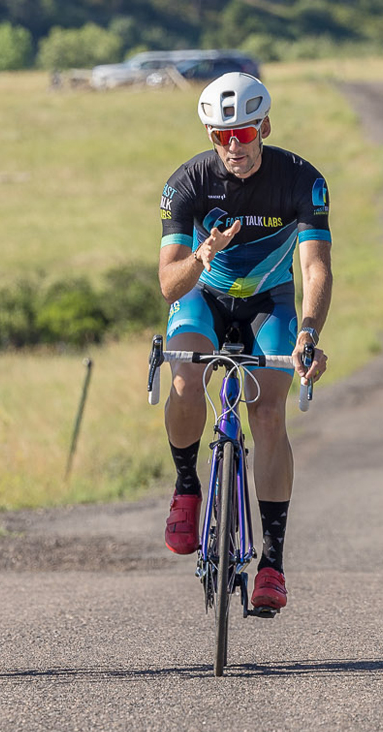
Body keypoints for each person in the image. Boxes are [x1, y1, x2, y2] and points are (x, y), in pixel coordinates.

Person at [156, 72, 330, 611]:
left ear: (265, 127)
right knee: (185, 378)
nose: (233, 146)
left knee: (270, 411)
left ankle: (272, 562)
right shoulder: (185, 183)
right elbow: (169, 285)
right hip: (202, 298)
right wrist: (204, 253)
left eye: (245, 135)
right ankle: (188, 485)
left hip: (269, 303)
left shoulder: (301, 180)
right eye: (221, 136)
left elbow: (316, 267)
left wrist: (307, 334)